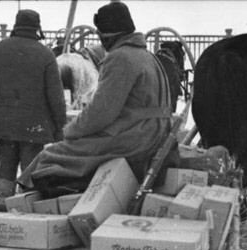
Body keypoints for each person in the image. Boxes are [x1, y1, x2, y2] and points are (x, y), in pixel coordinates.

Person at [17, 1, 173, 198]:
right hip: (152, 134)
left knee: (51, 154)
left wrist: (70, 131)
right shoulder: (148, 56)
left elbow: (101, 113)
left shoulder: (120, 58)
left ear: (107, 36)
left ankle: (15, 204)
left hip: (133, 138)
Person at [0, 9, 67, 212]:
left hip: (5, 122)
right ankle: (25, 206)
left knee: (7, 163)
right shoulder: (45, 54)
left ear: (16, 26)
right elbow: (56, 96)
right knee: (30, 167)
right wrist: (59, 125)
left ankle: (3, 201)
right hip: (34, 126)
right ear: (37, 28)